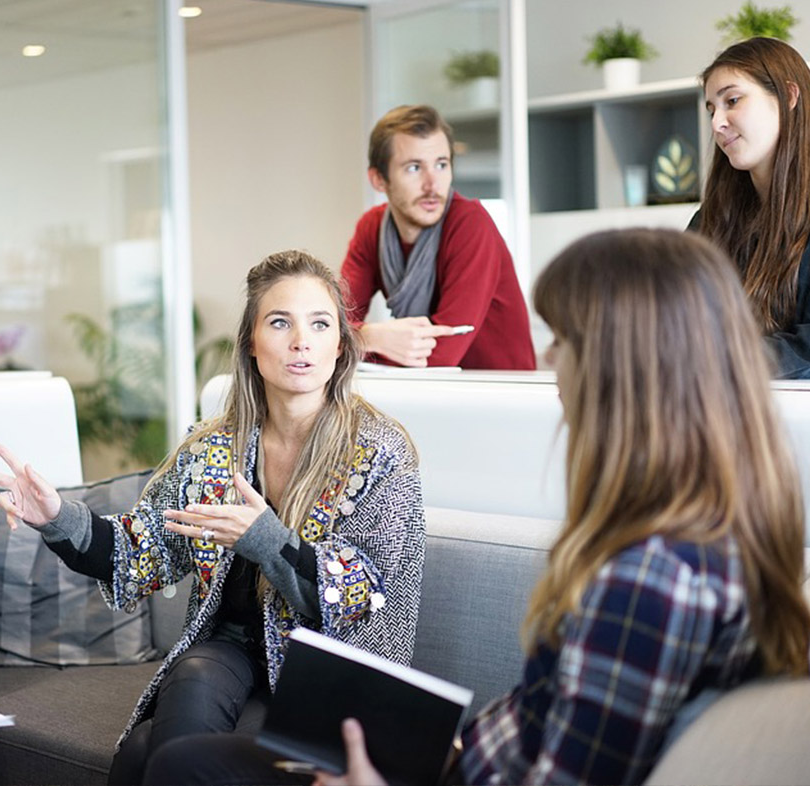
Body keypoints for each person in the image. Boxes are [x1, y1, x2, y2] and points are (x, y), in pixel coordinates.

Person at [151, 229, 810, 786]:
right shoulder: (701, 536)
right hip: (460, 759)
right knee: (179, 756)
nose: (550, 361)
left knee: (185, 768)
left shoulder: (651, 579)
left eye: (565, 340)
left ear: (624, 368)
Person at [0, 250, 425, 785]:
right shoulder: (214, 448)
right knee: (190, 679)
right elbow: (136, 550)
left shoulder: (379, 451)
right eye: (280, 322)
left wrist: (266, 540)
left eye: (319, 324)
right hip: (231, 649)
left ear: (340, 347)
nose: (301, 340)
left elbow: (365, 600)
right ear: (252, 345)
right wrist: (55, 516)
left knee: (146, 751)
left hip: (330, 672)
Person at [339, 104, 534, 369]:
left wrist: (357, 340)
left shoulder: (470, 224)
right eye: (413, 168)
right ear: (379, 180)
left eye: (441, 165)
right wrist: (370, 336)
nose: (432, 184)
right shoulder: (371, 228)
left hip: (499, 395)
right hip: (427, 392)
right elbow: (330, 326)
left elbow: (442, 355)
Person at [691, 37, 810, 378]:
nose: (717, 124)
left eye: (732, 100)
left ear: (788, 96)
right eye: (712, 109)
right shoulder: (711, 220)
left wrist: (725, 363)